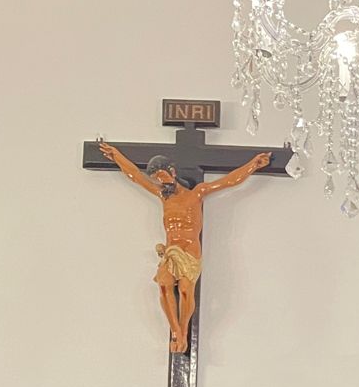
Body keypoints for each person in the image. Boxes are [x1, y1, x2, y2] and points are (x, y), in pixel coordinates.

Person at [94, 141, 271, 353]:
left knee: (186, 290)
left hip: (189, 250)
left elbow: (229, 181)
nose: (161, 183)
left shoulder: (197, 193)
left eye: (163, 177)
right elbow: (135, 176)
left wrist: (253, 165)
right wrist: (117, 156)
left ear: (173, 172)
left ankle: (183, 330)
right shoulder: (163, 196)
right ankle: (176, 331)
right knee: (163, 284)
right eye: (157, 180)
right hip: (171, 250)